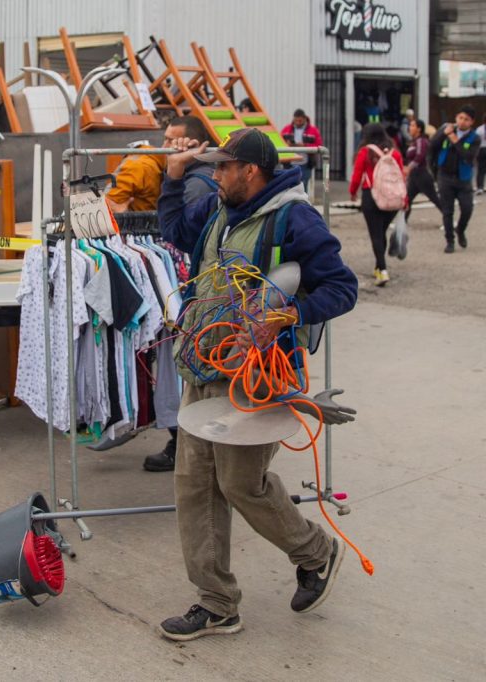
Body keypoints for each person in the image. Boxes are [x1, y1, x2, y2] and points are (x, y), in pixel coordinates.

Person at [155, 128, 358, 641]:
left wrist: (289, 314)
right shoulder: (219, 211)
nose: (216, 174)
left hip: (256, 378)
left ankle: (316, 551)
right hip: (202, 367)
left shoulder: (296, 218)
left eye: (223, 167)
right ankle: (217, 603)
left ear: (251, 170)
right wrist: (173, 180)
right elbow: (176, 233)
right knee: (194, 490)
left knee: (241, 484)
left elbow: (342, 287)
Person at [142, 114, 216, 473]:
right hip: (196, 289)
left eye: (174, 140)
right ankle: (186, 440)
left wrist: (172, 176)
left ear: (193, 144)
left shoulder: (196, 185)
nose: (166, 145)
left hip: (196, 291)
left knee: (187, 367)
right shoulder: (190, 177)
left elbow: (179, 235)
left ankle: (185, 444)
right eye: (166, 137)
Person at [349, 123, 404, 286]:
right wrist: (404, 199)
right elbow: (401, 176)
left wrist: (353, 192)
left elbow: (357, 175)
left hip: (371, 197)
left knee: (375, 234)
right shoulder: (395, 153)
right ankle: (378, 267)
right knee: (382, 232)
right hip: (392, 199)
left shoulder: (365, 152)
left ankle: (383, 270)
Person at [430, 105, 481, 253]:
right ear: (456, 117)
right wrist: (444, 134)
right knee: (447, 211)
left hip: (463, 179)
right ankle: (449, 241)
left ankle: (460, 230)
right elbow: (433, 146)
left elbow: (468, 157)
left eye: (466, 119)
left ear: (471, 122)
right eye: (460, 118)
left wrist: (454, 138)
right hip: (445, 177)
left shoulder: (475, 138)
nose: (462, 121)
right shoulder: (446, 131)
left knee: (467, 209)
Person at [404, 119, 441, 222]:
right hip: (414, 176)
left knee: (435, 199)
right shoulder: (414, 141)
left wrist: (408, 168)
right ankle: (402, 222)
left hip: (422, 175)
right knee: (407, 199)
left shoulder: (421, 141)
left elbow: (420, 156)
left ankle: (449, 220)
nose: (409, 128)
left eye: (412, 126)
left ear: (419, 129)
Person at [280, 109, 322, 192]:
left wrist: (305, 146)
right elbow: (279, 142)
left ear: (305, 119)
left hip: (305, 163)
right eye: (296, 120)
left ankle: (302, 203)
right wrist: (287, 144)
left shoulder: (313, 131)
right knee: (288, 186)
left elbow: (319, 145)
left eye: (300, 120)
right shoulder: (286, 129)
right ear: (293, 119)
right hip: (289, 163)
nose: (298, 122)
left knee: (303, 186)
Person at [475, 113, 486, 195]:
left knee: (481, 170)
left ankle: (480, 187)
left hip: (482, 149)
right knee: (481, 169)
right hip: (482, 149)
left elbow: (476, 141)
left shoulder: (480, 129)